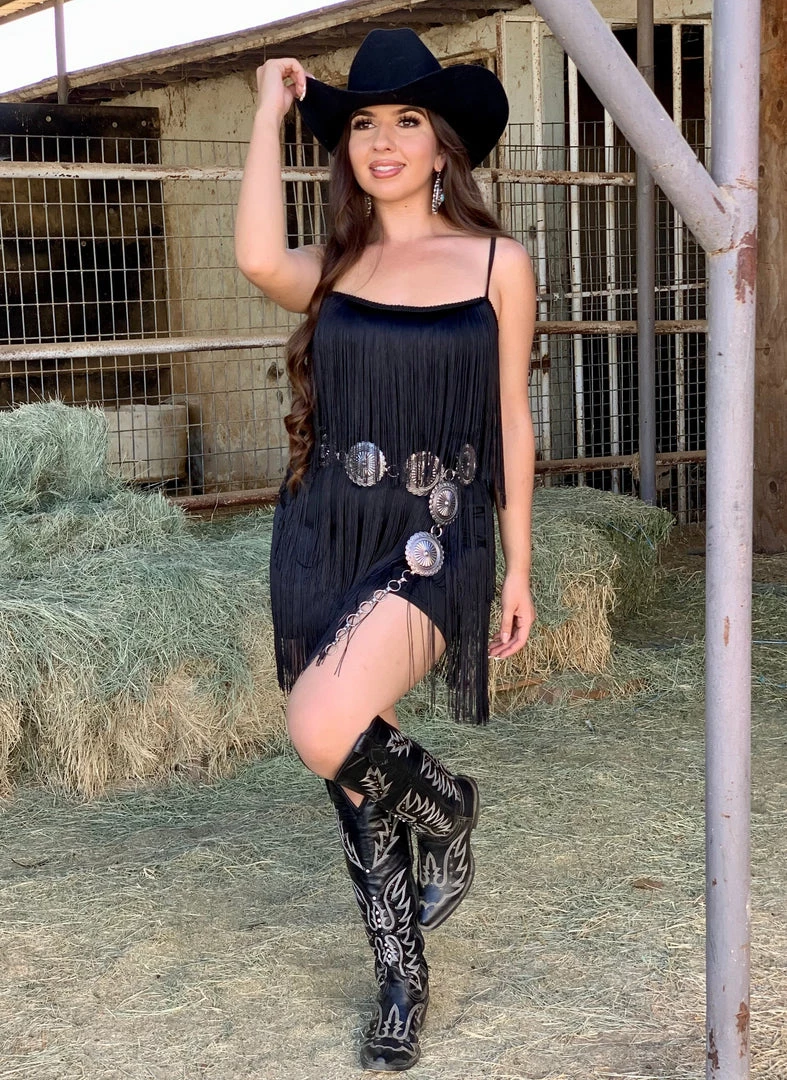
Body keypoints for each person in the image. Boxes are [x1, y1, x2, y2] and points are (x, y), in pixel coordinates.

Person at [235, 27, 536, 1072]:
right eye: (362, 123)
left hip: (432, 537)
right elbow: (256, 258)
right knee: (359, 774)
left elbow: (511, 421)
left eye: (407, 119)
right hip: (323, 529)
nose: (382, 140)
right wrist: (267, 113)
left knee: (322, 726)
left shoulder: (497, 263)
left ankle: (450, 809)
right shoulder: (337, 266)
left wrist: (520, 564)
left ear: (443, 143)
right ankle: (400, 981)